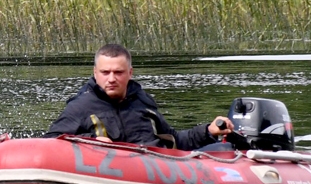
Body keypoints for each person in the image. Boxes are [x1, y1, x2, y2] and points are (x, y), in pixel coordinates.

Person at [45, 44, 233, 149]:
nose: (112, 79)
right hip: (108, 175)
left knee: (221, 149)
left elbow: (175, 140)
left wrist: (208, 131)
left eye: (118, 72)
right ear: (95, 73)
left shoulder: (143, 103)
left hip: (156, 173)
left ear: (130, 73)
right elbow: (51, 141)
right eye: (105, 72)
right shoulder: (80, 107)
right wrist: (90, 141)